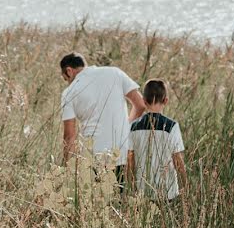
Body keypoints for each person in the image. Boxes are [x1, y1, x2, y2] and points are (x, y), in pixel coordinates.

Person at [59, 53, 146, 181]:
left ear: (69, 71)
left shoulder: (69, 93)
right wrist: (125, 127)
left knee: (97, 198)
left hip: (93, 157)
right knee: (123, 197)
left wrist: (68, 169)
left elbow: (69, 136)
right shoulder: (115, 73)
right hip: (122, 151)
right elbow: (140, 105)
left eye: (65, 79)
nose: (67, 83)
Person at [126, 79, 187, 201]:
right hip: (167, 192)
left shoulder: (133, 126)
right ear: (166, 100)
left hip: (142, 191)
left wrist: (130, 187)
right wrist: (185, 185)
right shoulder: (172, 126)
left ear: (143, 101)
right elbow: (178, 161)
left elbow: (130, 161)